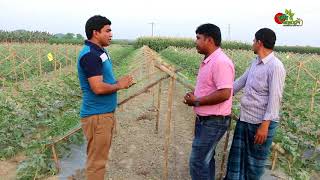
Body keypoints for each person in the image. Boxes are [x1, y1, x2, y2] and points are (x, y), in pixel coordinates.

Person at [77, 15, 134, 180]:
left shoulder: (100, 51)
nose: (111, 34)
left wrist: (119, 82)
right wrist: (120, 85)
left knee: (99, 160)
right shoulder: (90, 55)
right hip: (97, 116)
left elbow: (104, 81)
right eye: (107, 30)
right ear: (95, 33)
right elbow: (98, 88)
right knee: (97, 163)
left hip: (103, 114)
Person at [225, 28, 286, 180]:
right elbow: (239, 83)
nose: (252, 43)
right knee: (237, 162)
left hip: (260, 124)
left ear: (259, 43)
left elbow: (275, 98)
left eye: (254, 41)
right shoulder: (255, 63)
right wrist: (220, 94)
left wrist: (264, 126)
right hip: (245, 118)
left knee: (253, 167)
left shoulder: (275, 66)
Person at [184, 23, 235, 180]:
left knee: (197, 162)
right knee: (206, 160)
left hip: (214, 122)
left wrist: (197, 100)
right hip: (205, 121)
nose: (196, 41)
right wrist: (195, 95)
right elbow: (212, 88)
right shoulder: (209, 60)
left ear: (209, 40)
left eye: (198, 38)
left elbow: (225, 93)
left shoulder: (221, 62)